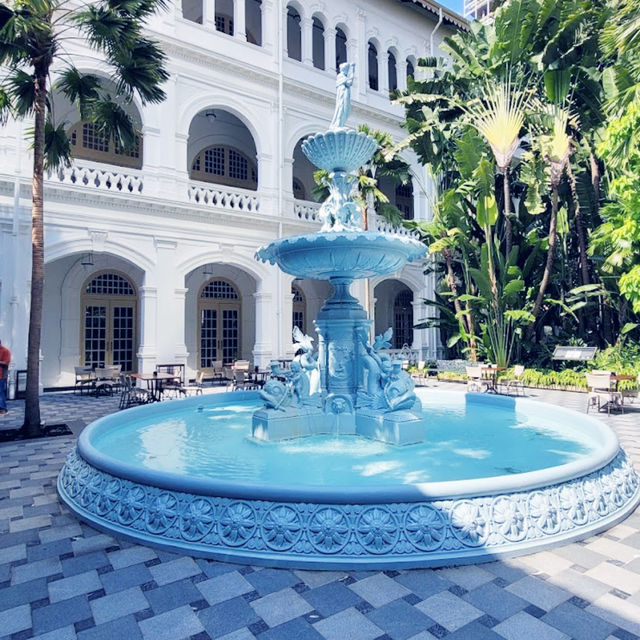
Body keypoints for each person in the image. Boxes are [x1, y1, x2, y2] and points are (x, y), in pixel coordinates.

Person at [0, 339, 11, 415]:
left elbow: (6, 363)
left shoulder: (5, 351)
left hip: (1, 376)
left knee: (0, 392)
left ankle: (3, 409)